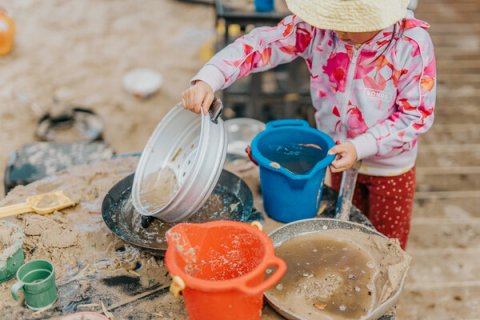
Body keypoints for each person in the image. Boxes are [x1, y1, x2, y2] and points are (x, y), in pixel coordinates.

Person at [182, 0, 436, 249]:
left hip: (391, 170)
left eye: (351, 22)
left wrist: (361, 147)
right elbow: (259, 45)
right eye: (334, 17)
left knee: (386, 244)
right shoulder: (318, 28)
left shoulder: (411, 44)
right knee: (344, 233)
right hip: (337, 158)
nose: (339, 30)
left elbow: (416, 115)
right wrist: (209, 78)